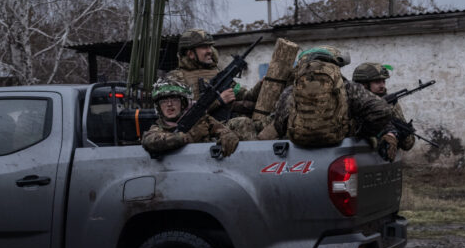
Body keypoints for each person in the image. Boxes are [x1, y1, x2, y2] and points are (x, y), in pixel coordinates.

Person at [263, 47, 400, 160]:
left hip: (297, 157)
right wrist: (360, 131)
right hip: (339, 150)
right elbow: (383, 110)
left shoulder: (291, 91)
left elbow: (279, 124)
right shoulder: (348, 88)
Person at [165, 28, 262, 139]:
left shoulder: (217, 73)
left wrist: (261, 85)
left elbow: (245, 95)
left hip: (220, 127)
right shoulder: (175, 78)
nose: (209, 51)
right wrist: (219, 101)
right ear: (190, 53)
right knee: (242, 123)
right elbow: (179, 114)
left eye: (210, 46)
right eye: (204, 47)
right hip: (195, 132)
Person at [141, 78, 239, 157]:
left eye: (174, 99)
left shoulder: (200, 119)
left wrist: (228, 136)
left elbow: (222, 130)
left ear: (183, 103)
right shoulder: (158, 128)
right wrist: (187, 137)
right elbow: (150, 141)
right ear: (159, 107)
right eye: (164, 101)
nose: (169, 104)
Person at [352, 62, 415, 153]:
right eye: (377, 82)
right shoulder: (350, 101)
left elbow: (408, 144)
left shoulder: (390, 103)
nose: (382, 85)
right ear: (363, 84)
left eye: (383, 81)